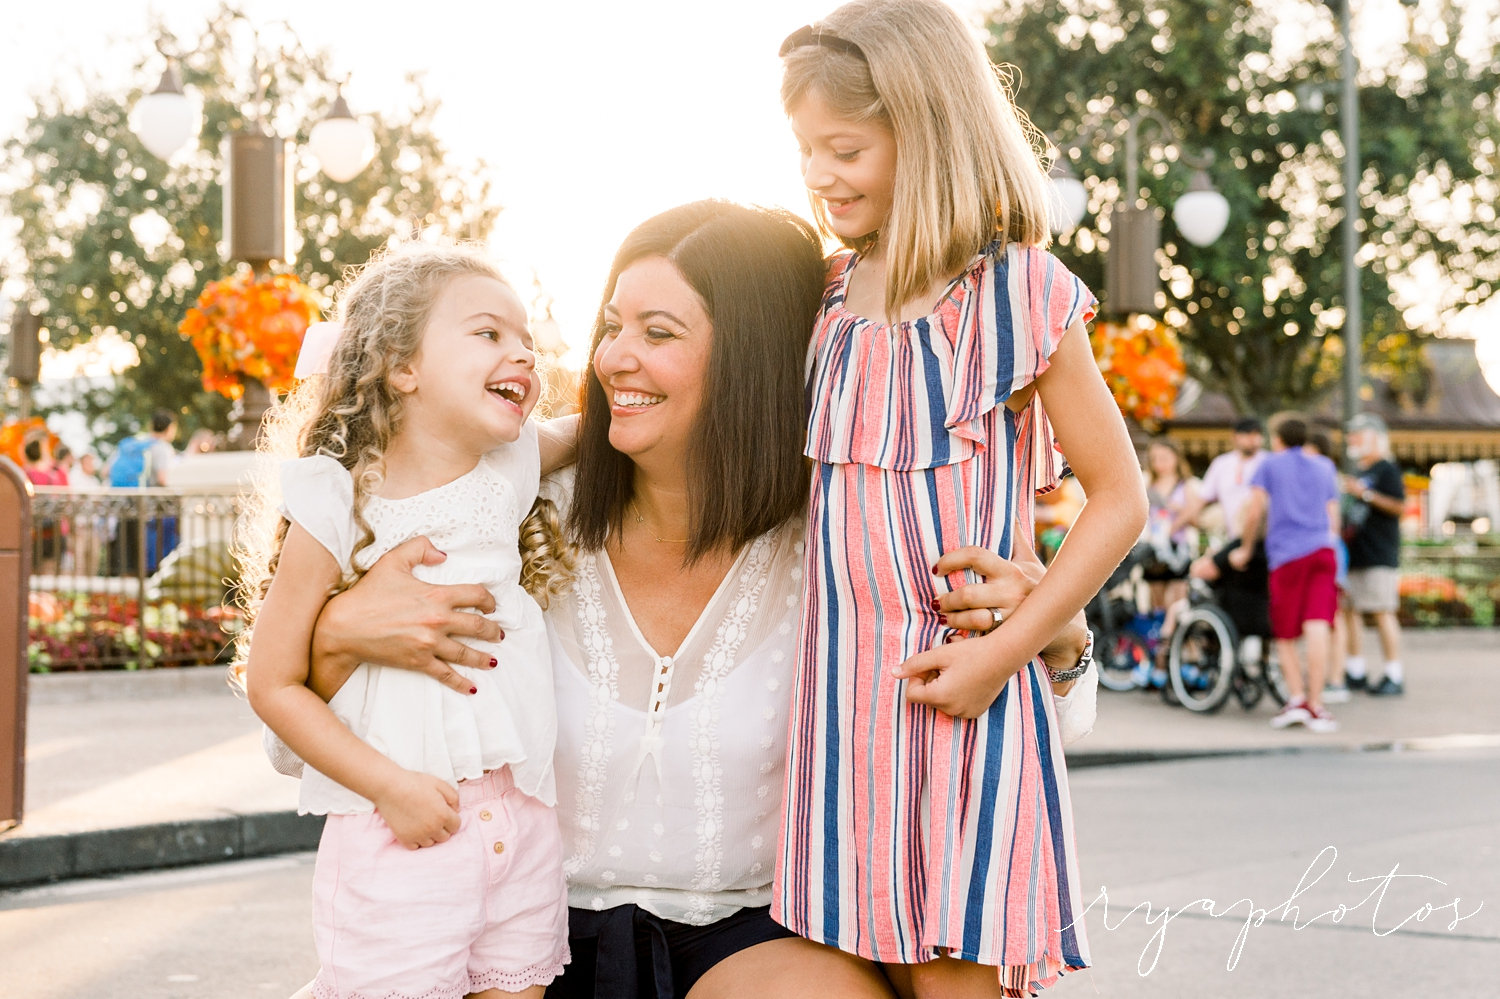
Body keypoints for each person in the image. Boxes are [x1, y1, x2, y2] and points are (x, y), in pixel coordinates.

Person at [289, 201, 1098, 999]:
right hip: (517, 924)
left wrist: (1055, 638)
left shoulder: (833, 541)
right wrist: (337, 639)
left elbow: (976, 749)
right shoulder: (514, 511)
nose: (614, 358)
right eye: (612, 325)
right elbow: (293, 748)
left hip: (741, 933)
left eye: (659, 333)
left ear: (746, 360)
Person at [776, 4, 1147, 994]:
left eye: (844, 147)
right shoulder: (814, 302)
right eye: (805, 148)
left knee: (952, 980)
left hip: (966, 709)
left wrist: (1005, 653)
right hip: (840, 732)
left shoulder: (1021, 294)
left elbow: (1120, 499)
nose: (818, 173)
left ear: (928, 128)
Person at [243, 243, 575, 999]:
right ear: (402, 366)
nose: (521, 350)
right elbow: (272, 683)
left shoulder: (514, 462)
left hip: (519, 823)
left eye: (524, 338)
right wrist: (389, 785)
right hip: (396, 826)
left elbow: (595, 427)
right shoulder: (337, 498)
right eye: (489, 332)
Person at [1231, 413, 1339, 732]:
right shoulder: (1325, 466)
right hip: (1323, 550)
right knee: (1317, 624)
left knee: (1286, 632)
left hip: (1288, 555)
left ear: (1278, 438)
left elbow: (1255, 510)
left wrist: (1246, 548)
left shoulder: (1270, 464)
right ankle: (1317, 705)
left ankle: (1296, 699)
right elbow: (1333, 513)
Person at [1340, 413, 1406, 695]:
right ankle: (1356, 669)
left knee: (1382, 611)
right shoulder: (1360, 471)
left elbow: (1398, 507)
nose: (1351, 440)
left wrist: (1364, 494)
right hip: (1353, 552)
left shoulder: (1386, 470)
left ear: (1373, 438)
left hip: (1379, 553)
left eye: (1357, 435)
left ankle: (1393, 673)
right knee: (1349, 611)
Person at [1306, 429, 1351, 703]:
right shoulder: (1326, 475)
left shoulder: (1326, 475)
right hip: (1326, 549)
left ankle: (1336, 677)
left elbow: (1333, 519)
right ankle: (1330, 676)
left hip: (1328, 550)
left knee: (1334, 617)